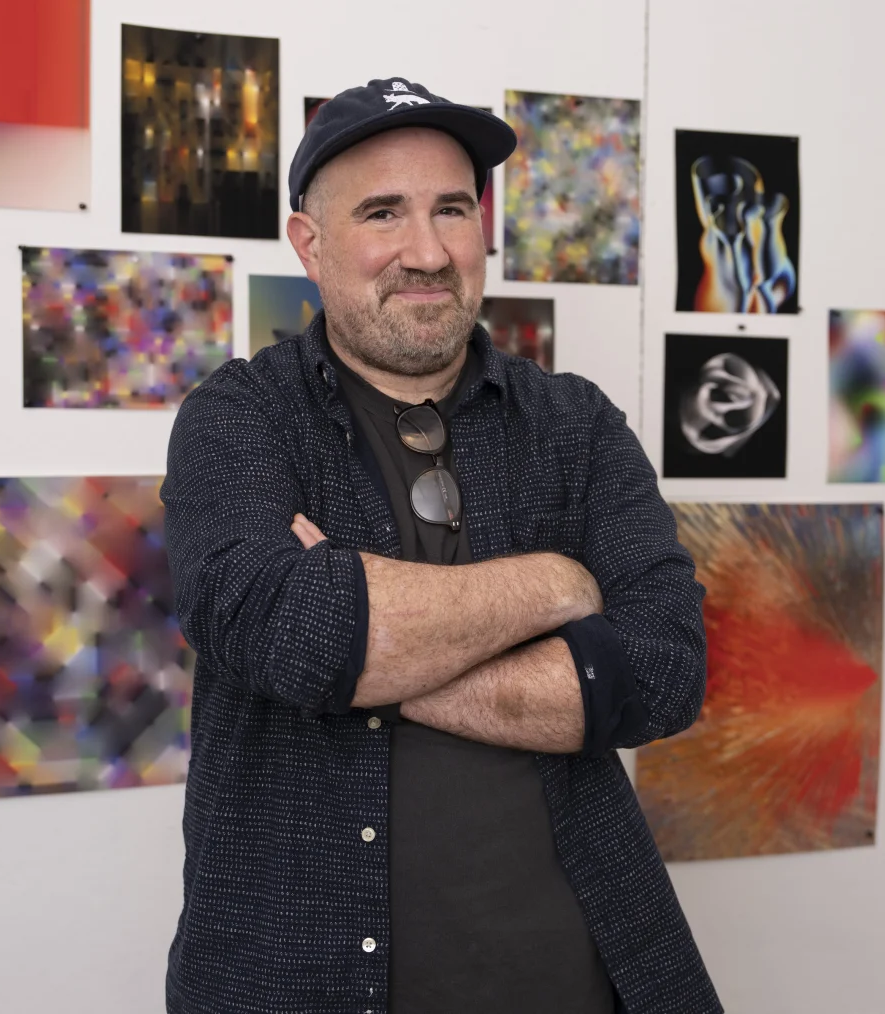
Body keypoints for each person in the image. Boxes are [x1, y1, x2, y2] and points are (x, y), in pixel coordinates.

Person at [161, 77, 723, 1014]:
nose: (427, 252)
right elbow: (282, 631)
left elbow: (662, 671)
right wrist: (555, 584)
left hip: (587, 979)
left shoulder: (575, 425)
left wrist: (368, 643)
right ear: (309, 243)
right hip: (292, 981)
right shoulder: (238, 417)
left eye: (452, 210)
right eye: (382, 212)